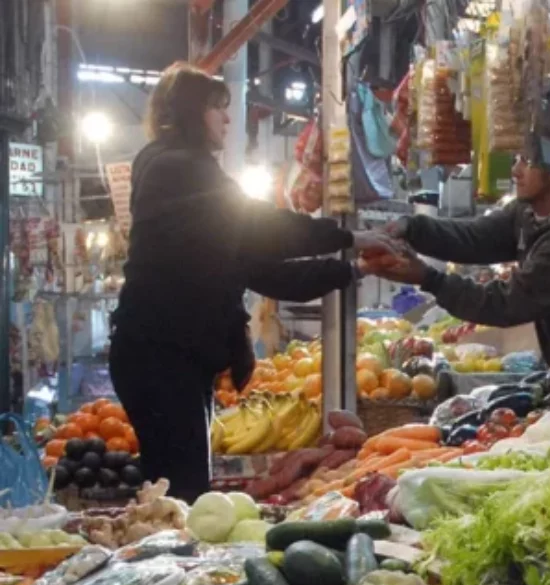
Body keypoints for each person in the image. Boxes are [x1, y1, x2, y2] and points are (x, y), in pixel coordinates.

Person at [109, 62, 397, 502]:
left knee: (180, 488)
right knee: (182, 492)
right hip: (159, 359)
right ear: (191, 111)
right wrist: (349, 237)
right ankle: (174, 566)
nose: (227, 119)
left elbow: (267, 271)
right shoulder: (178, 167)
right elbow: (261, 227)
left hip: (166, 358)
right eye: (216, 108)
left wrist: (356, 268)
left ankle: (179, 559)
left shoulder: (182, 180)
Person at [362, 122, 550, 361]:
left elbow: (504, 304)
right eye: (517, 159)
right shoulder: (530, 212)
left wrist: (428, 278)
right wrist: (411, 228)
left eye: (527, 161)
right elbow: (475, 238)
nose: (514, 170)